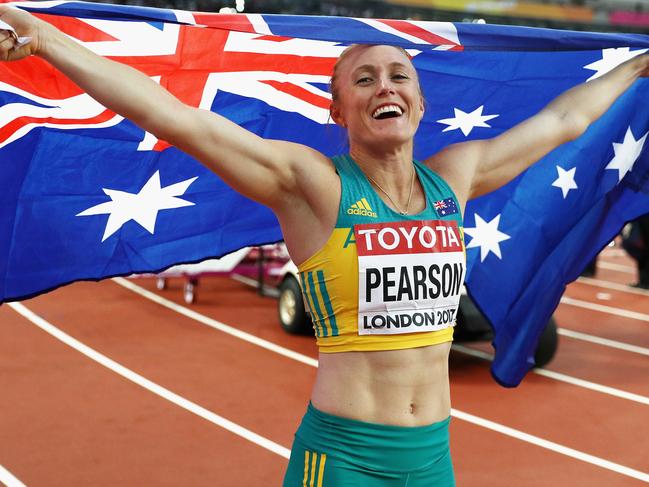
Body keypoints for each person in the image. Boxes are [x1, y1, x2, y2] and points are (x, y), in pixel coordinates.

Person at [1, 6, 647, 486]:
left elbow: (566, 119)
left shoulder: (455, 177)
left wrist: (640, 63)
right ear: (338, 111)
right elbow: (175, 118)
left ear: (420, 103)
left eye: (398, 75)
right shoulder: (312, 186)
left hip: (433, 456)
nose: (385, 86)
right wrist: (48, 39)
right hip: (342, 459)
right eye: (363, 80)